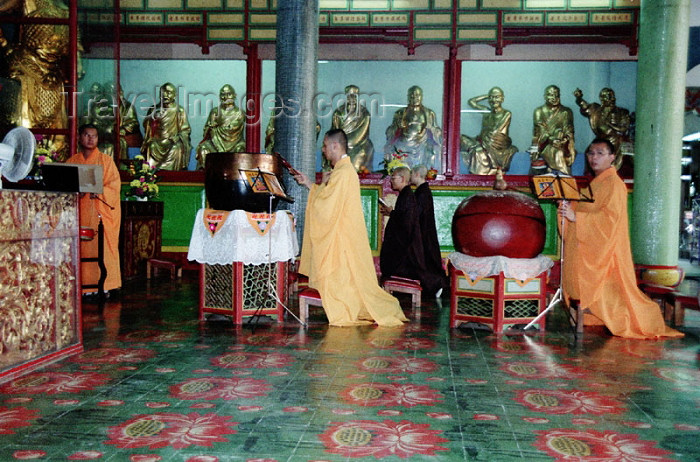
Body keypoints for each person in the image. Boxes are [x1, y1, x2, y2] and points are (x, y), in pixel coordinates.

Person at [558, 138, 683, 339]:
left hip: (607, 254)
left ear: (612, 157)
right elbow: (584, 208)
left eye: (600, 153)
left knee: (614, 298)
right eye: (590, 153)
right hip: (589, 250)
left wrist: (577, 217)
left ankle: (638, 318)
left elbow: (609, 221)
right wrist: (567, 207)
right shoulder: (596, 184)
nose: (594, 158)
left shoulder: (615, 185)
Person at [293, 129, 408, 327]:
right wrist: (310, 184)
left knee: (343, 283)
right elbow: (328, 196)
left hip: (341, 237)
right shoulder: (341, 171)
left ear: (335, 146)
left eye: (325, 146)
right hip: (343, 233)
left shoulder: (343, 172)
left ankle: (348, 306)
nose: (323, 150)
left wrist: (314, 188)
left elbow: (326, 206)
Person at [66, 123, 122, 297]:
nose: (90, 139)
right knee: (80, 249)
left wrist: (99, 191)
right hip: (79, 213)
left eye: (94, 136)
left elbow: (114, 186)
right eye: (87, 135)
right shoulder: (72, 161)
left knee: (103, 248)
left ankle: (105, 285)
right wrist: (77, 192)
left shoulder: (106, 161)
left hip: (100, 213)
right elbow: (65, 187)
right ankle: (83, 287)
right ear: (80, 137)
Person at [461, 86, 518, 175]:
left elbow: (496, 130)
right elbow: (471, 102)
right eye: (491, 97)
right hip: (482, 140)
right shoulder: (486, 112)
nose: (493, 100)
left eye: (497, 97)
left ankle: (485, 169)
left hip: (495, 142)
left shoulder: (506, 113)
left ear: (502, 99)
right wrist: (486, 96)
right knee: (461, 138)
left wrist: (482, 140)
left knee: (478, 150)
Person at [384, 85, 442, 169]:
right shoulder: (400, 113)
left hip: (422, 142)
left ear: (421, 96)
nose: (414, 97)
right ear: (408, 97)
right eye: (412, 95)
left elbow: (437, 131)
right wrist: (398, 127)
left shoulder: (429, 113)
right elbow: (390, 131)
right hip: (404, 142)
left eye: (417, 95)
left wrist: (430, 128)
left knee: (433, 149)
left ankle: (427, 172)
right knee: (393, 149)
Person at [411, 164, 447, 296]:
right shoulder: (423, 191)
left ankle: (437, 285)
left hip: (423, 232)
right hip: (424, 231)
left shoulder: (422, 192)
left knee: (426, 260)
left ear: (416, 175)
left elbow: (417, 214)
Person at [573, 87, 631, 169]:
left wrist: (610, 125)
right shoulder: (596, 110)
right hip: (600, 139)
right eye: (608, 96)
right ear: (602, 98)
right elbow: (585, 107)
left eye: (612, 96)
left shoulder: (622, 112)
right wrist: (579, 98)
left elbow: (624, 127)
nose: (611, 98)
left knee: (608, 152)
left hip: (615, 139)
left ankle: (610, 171)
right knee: (590, 152)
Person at [141, 82, 192, 170]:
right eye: (163, 92)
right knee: (151, 146)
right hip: (157, 140)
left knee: (176, 148)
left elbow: (185, 129)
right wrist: (153, 118)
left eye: (168, 92)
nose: (165, 95)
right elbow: (147, 126)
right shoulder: (153, 109)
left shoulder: (179, 110)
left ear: (174, 95)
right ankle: (151, 171)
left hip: (172, 140)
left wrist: (178, 137)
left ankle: (171, 173)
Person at [195, 84, 245, 170]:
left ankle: (234, 174)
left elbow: (232, 129)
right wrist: (210, 128)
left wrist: (215, 129)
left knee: (241, 151)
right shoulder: (215, 111)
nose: (225, 97)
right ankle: (205, 173)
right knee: (203, 148)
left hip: (235, 143)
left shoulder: (240, 112)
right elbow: (207, 129)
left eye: (229, 94)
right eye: (222, 94)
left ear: (234, 95)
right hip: (215, 143)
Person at [531, 85, 576, 175]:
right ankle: (563, 176)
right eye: (551, 95)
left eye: (556, 95)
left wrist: (564, 140)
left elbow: (569, 130)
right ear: (545, 96)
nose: (554, 98)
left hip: (562, 144)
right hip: (544, 144)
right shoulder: (539, 111)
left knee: (560, 151)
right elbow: (540, 130)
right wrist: (551, 139)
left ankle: (561, 177)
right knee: (557, 153)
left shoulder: (566, 112)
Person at [331, 84, 374, 171]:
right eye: (349, 96)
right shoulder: (338, 113)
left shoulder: (364, 113)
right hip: (341, 143)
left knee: (355, 166)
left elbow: (363, 133)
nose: (352, 99)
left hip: (359, 144)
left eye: (354, 96)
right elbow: (334, 130)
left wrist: (348, 143)